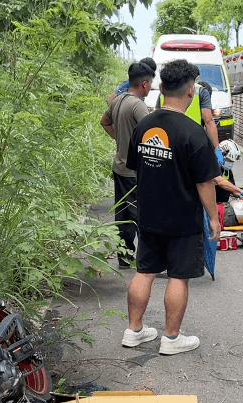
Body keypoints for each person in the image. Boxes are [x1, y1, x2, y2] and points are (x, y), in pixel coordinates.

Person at [121, 59, 220, 355]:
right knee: (178, 276)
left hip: (149, 213)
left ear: (161, 88)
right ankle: (171, 338)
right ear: (191, 91)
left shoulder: (144, 126)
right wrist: (214, 218)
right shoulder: (194, 133)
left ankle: (134, 330)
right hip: (182, 217)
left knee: (145, 270)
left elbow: (136, 167)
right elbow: (205, 183)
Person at [100, 61, 154, 268]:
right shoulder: (137, 105)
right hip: (135, 170)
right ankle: (147, 259)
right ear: (143, 83)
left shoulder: (117, 100)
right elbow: (151, 132)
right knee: (142, 214)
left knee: (123, 215)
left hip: (120, 167)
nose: (150, 87)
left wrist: (120, 140)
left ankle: (124, 256)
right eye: (150, 83)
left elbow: (104, 122)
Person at [155, 64, 221, 150]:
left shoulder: (165, 91)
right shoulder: (202, 91)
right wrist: (217, 148)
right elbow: (208, 120)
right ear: (197, 78)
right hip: (194, 138)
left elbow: (156, 114)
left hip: (168, 138)